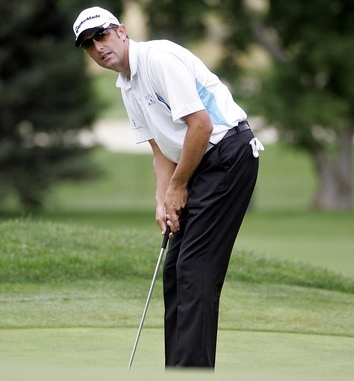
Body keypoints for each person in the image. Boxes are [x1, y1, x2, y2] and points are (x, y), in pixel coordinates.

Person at [73, 6, 264, 369]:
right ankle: (178, 369)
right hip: (200, 163)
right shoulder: (127, 86)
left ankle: (191, 372)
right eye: (88, 44)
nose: (98, 47)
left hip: (228, 154)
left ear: (122, 31)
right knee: (176, 267)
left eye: (101, 35)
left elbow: (201, 126)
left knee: (195, 267)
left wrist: (178, 188)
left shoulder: (158, 60)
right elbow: (161, 151)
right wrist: (163, 199)